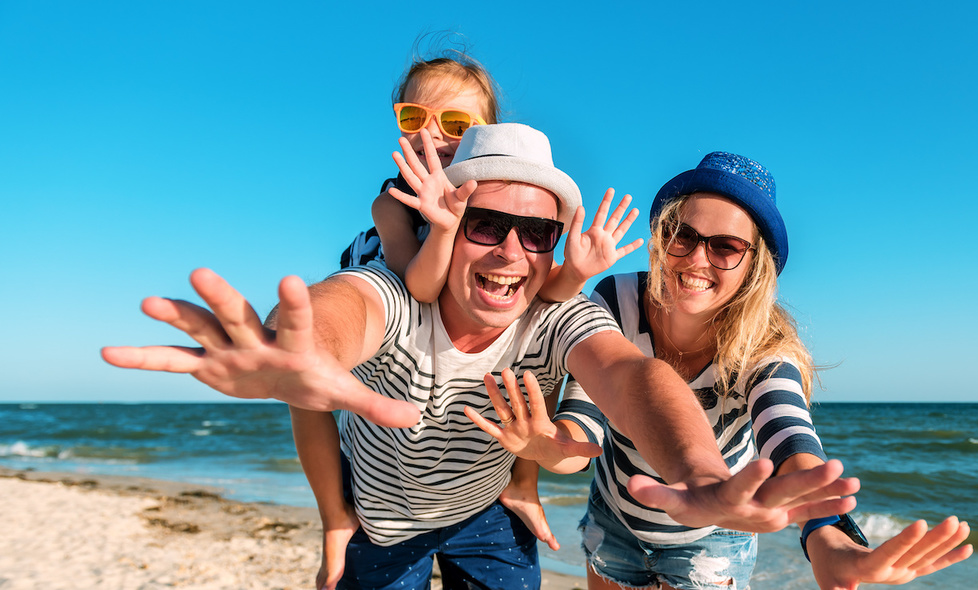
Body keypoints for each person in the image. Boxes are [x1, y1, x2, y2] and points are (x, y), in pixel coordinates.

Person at [101, 125, 861, 590]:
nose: (510, 252)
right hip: (385, 528)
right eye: (486, 224)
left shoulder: (565, 312)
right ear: (445, 220)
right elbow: (345, 307)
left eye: (535, 234)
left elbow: (631, 378)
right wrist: (294, 350)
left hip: (487, 521)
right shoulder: (399, 291)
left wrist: (703, 478)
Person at [472, 152, 974, 590]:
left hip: (713, 536)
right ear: (661, 238)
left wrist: (828, 535)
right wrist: (545, 447)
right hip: (617, 518)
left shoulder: (764, 346)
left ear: (754, 265)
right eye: (682, 235)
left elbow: (790, 440)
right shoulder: (615, 301)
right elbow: (583, 428)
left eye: (725, 247)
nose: (696, 258)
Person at [322, 49, 642, 585]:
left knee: (524, 366)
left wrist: (575, 273)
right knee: (307, 396)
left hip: (479, 499)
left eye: (455, 123)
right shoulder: (395, 208)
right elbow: (416, 289)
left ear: (487, 136)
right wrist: (444, 228)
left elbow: (541, 309)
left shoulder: (512, 217)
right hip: (385, 503)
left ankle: (522, 485)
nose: (433, 135)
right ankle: (334, 518)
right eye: (412, 118)